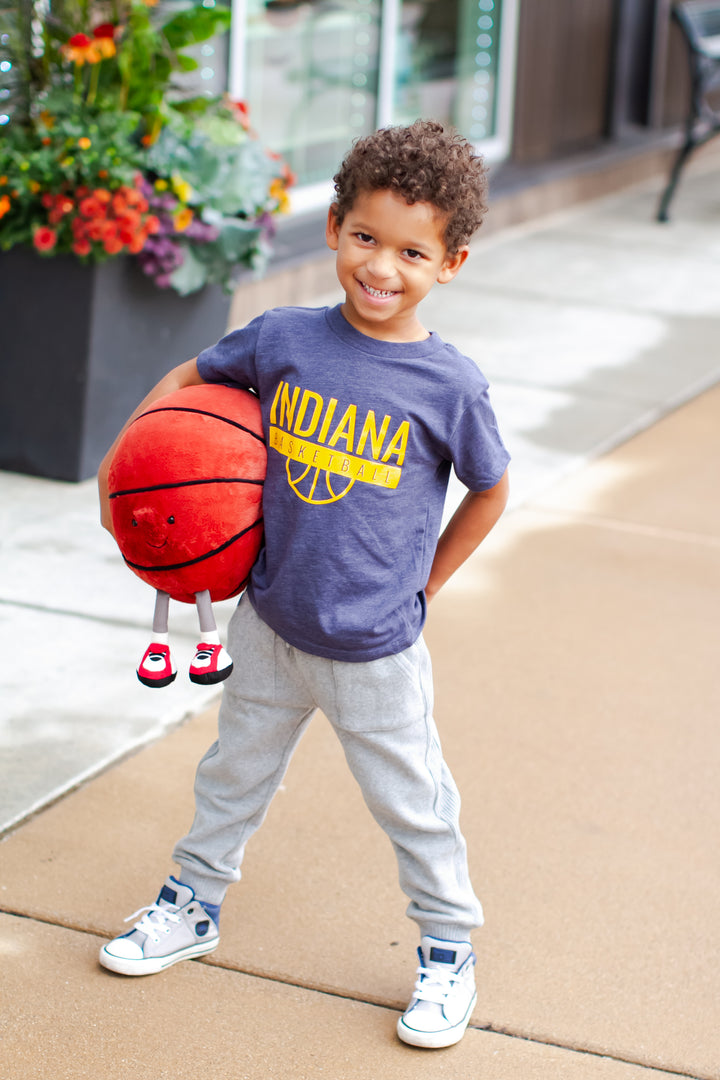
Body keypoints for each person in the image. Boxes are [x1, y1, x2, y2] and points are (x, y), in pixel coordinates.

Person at [96, 119, 510, 1050]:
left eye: (412, 251)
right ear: (332, 229)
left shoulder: (448, 384)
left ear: (452, 263)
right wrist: (136, 458)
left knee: (413, 802)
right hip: (270, 622)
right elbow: (188, 375)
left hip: (374, 647)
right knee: (231, 773)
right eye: (365, 238)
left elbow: (490, 490)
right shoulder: (282, 339)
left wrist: (426, 588)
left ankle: (449, 946)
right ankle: (192, 903)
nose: (381, 267)